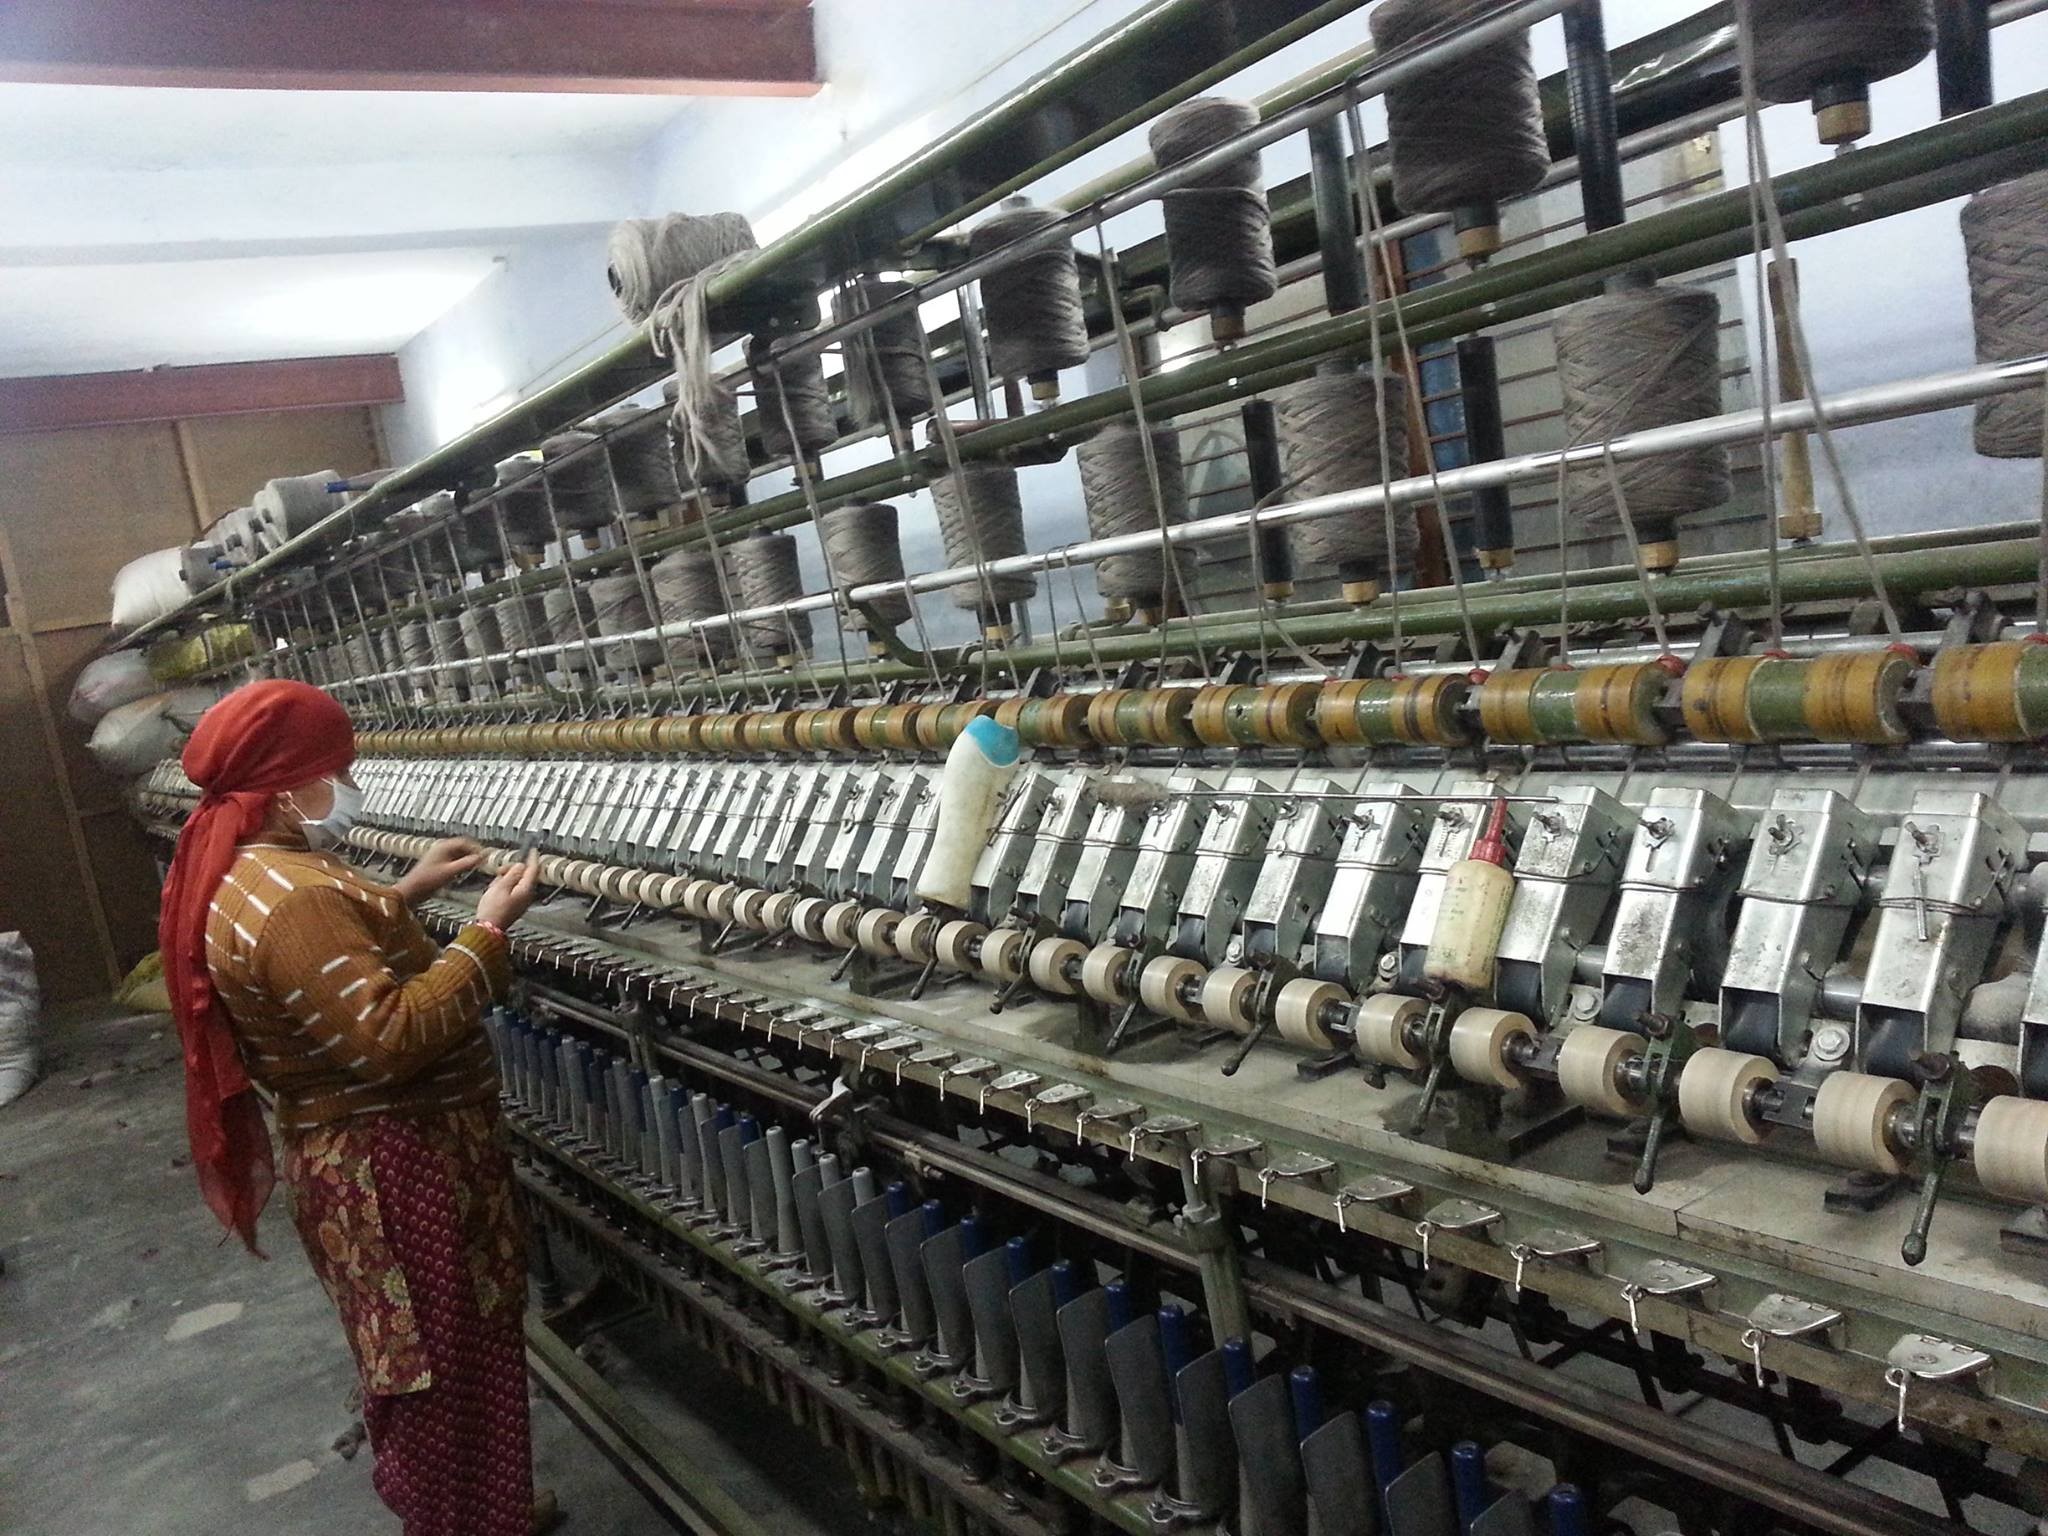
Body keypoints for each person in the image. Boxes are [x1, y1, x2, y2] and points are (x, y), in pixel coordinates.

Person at [159, 679, 553, 1536]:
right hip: (393, 1164)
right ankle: (464, 1523)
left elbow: (307, 962)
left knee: (436, 1351)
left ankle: (490, 1510)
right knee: (439, 1366)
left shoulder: (251, 872)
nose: (349, 784)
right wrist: (486, 933)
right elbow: (388, 1038)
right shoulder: (296, 895)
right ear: (286, 787)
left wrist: (403, 894)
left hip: (362, 1158)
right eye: (337, 771)